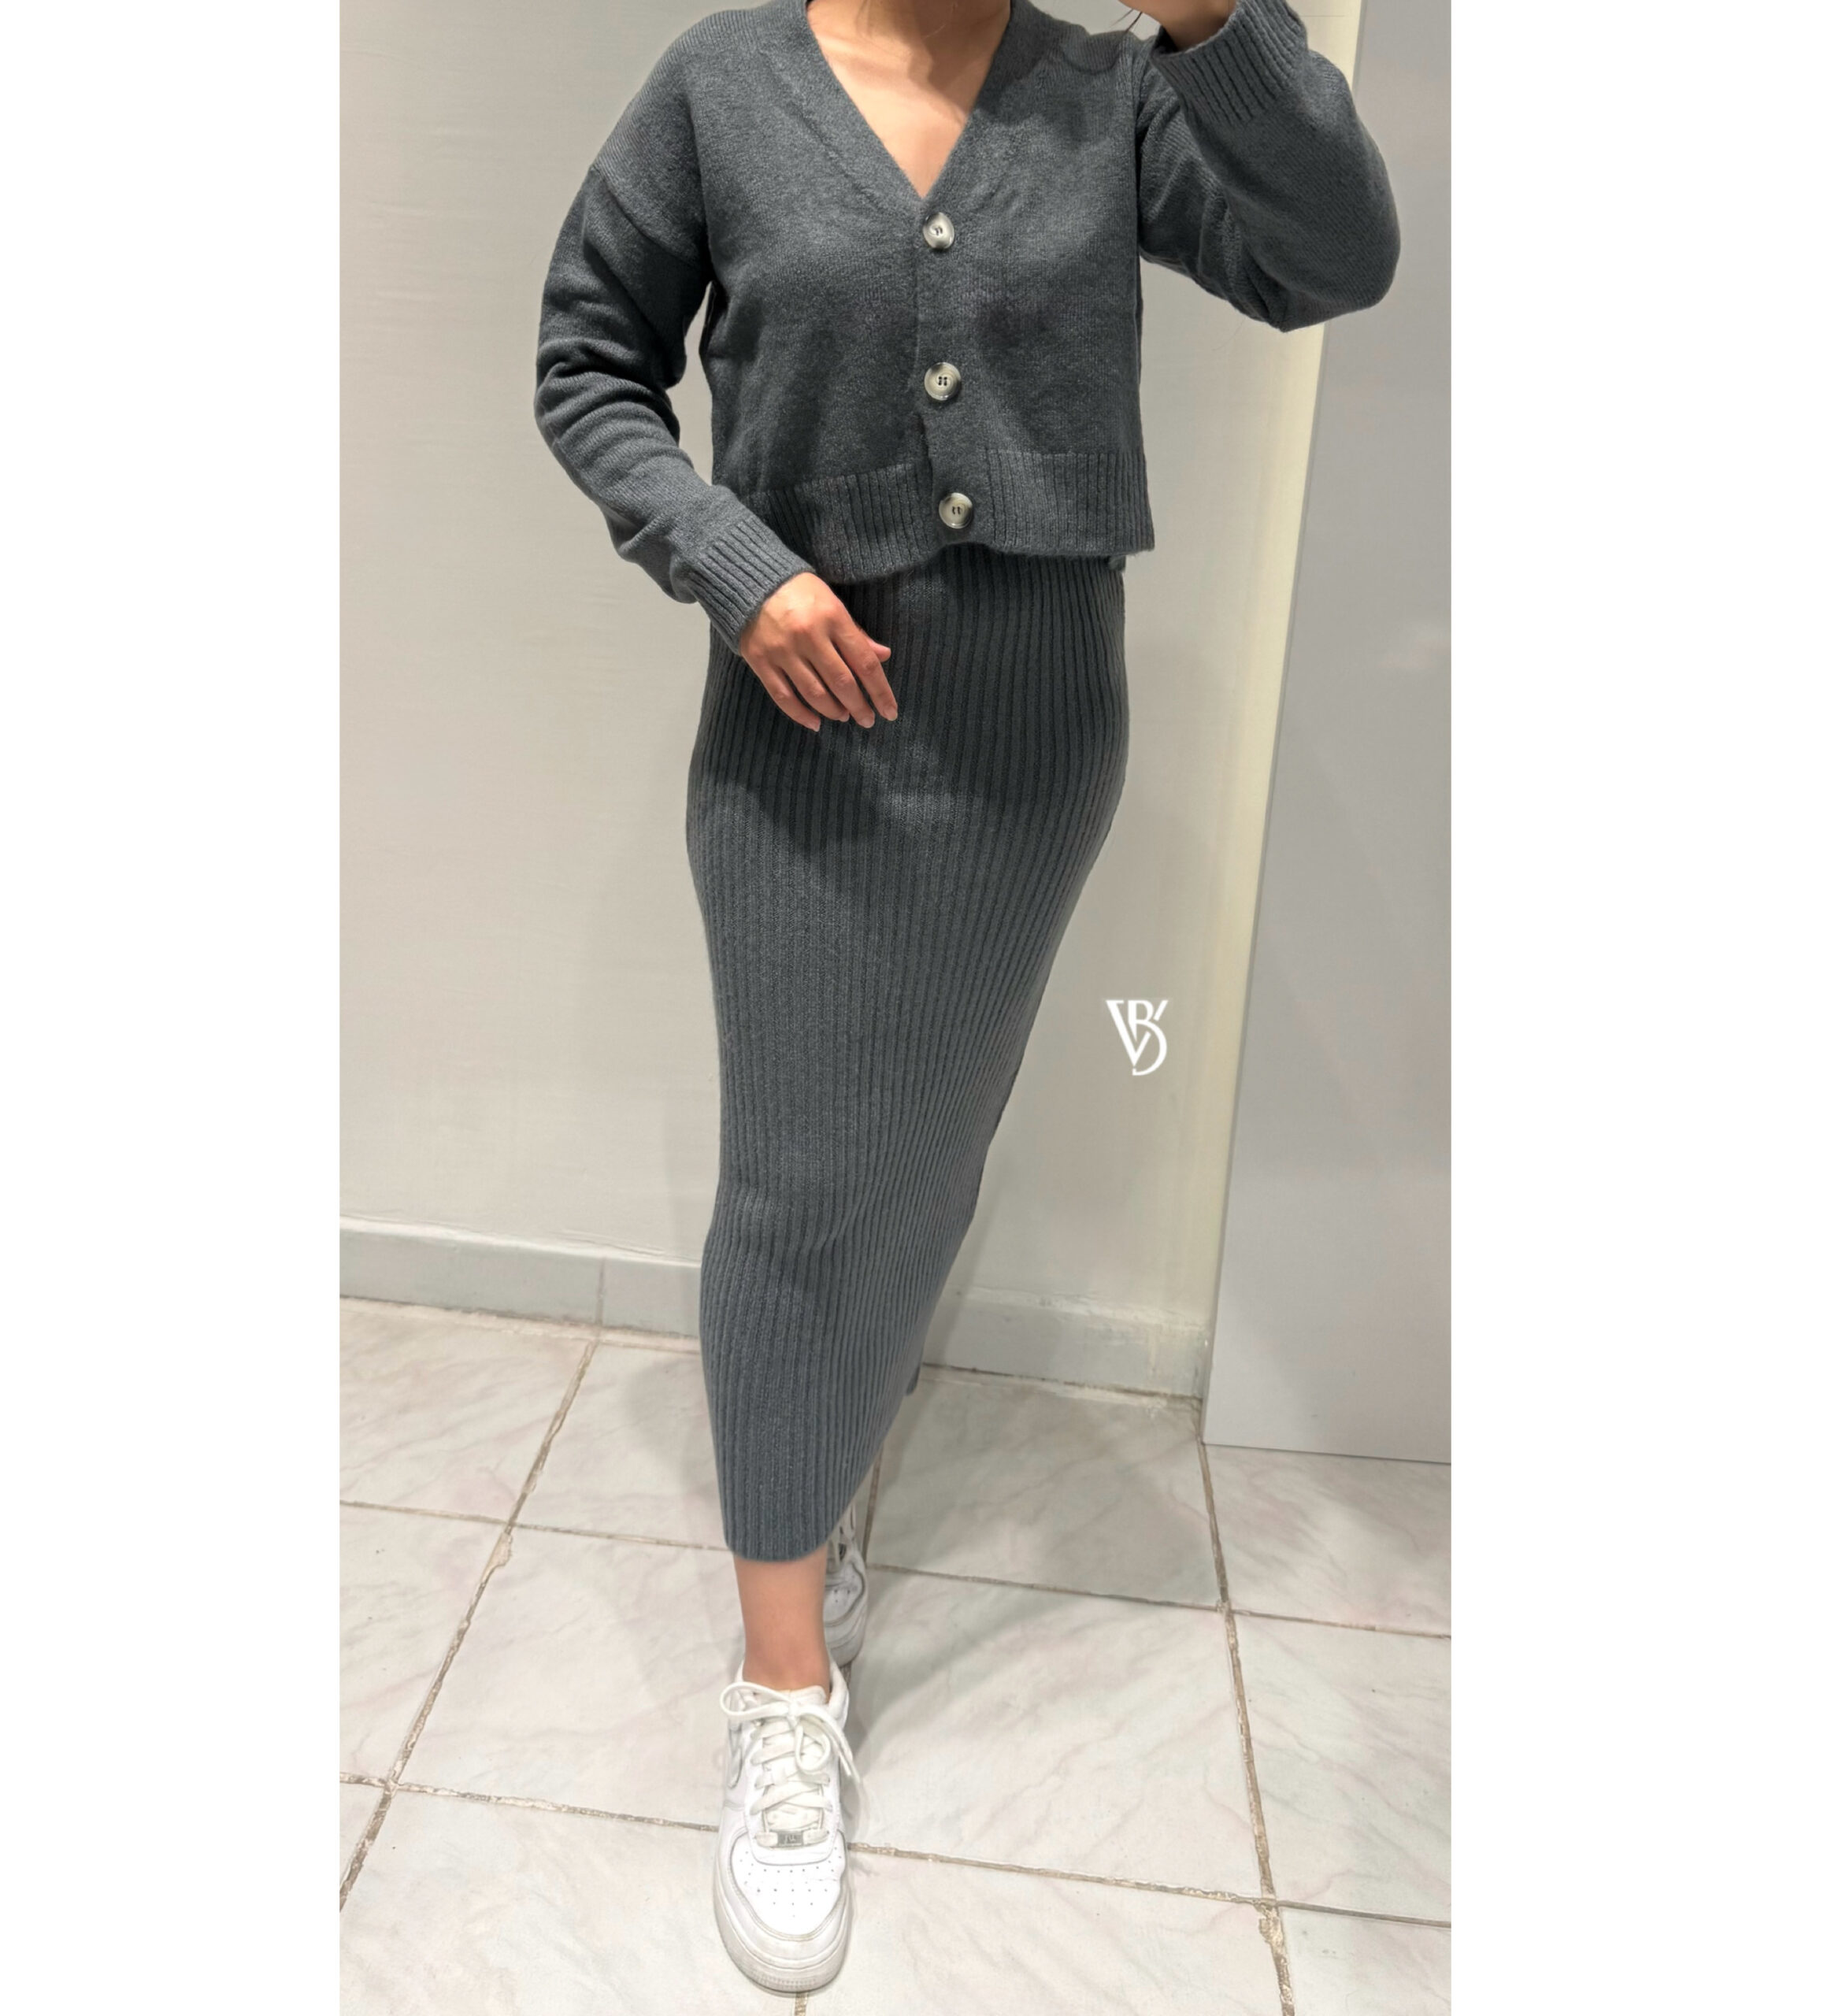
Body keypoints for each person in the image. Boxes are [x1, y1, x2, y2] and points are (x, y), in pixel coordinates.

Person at [533, 0, 1396, 1989]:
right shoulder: (722, 87)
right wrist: (730, 560)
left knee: (923, 1160)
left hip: (1032, 737)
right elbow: (586, 360)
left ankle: (816, 1486)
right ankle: (780, 1687)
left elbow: (1332, 258)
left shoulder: (1105, 94)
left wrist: (1214, 24)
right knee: (793, 1190)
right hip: (801, 733)